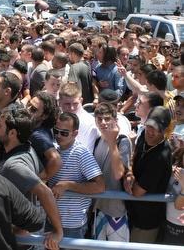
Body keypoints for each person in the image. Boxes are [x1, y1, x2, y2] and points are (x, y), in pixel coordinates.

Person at [0, 108, 63, 249]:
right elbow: (42, 175)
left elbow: (45, 192)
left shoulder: (14, 166)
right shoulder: (29, 149)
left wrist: (58, 231)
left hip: (15, 243)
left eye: (0, 125)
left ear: (12, 133)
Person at [46, 112, 105, 245]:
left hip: (72, 227)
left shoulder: (81, 153)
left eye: (64, 133)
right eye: (56, 130)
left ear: (75, 133)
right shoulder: (53, 150)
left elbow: (100, 186)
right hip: (51, 221)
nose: (58, 135)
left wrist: (67, 185)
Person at [124, 106, 172, 243]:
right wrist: (129, 173)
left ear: (166, 130)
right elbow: (133, 159)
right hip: (132, 214)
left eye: (156, 128)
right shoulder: (144, 137)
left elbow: (138, 192)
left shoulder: (160, 157)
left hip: (146, 223)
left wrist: (125, 178)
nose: (150, 132)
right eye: (149, 126)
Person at [92, 103, 132, 242]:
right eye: (99, 119)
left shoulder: (123, 142)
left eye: (107, 118)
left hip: (117, 210)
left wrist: (111, 140)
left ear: (116, 120)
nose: (103, 122)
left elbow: (118, 174)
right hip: (98, 209)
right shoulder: (96, 142)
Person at [28, 92, 62, 181]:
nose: (28, 109)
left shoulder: (38, 135)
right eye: (29, 105)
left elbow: (56, 160)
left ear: (45, 116)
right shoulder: (44, 129)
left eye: (34, 109)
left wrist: (43, 179)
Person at [59, 83, 100, 153]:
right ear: (59, 102)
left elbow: (83, 154)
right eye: (67, 104)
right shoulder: (59, 118)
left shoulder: (88, 122)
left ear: (81, 101)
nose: (71, 108)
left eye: (75, 104)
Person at [164, 147, 184, 245]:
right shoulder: (176, 163)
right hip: (168, 220)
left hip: (180, 224)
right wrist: (169, 172)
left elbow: (178, 206)